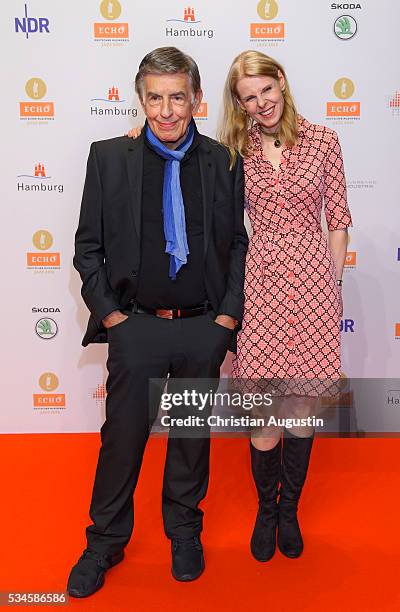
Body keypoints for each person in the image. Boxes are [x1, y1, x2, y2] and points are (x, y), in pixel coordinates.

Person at [68, 46, 248, 598]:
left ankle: (184, 531)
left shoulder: (223, 161)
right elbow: (87, 248)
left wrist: (225, 319)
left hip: (201, 329)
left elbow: (239, 244)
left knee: (190, 439)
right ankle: (104, 541)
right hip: (137, 327)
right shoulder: (109, 158)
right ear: (140, 98)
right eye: (155, 98)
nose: (167, 110)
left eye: (177, 97)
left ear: (195, 97)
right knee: (122, 439)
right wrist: (115, 318)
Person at [218, 50, 352, 563]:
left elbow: (338, 217)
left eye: (266, 90)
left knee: (301, 409)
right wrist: (139, 137)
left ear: (281, 82)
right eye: (248, 98)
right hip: (261, 290)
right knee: (264, 410)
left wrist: (331, 283)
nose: (261, 104)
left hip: (314, 289)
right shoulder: (235, 151)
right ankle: (265, 511)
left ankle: (289, 510)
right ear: (240, 104)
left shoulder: (324, 140)